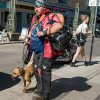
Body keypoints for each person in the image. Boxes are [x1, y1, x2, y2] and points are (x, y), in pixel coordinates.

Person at [27, 0, 63, 100]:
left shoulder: (50, 16)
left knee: (44, 70)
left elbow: (59, 25)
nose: (36, 9)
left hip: (46, 49)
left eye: (38, 6)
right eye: (35, 7)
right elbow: (32, 29)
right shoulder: (35, 18)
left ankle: (45, 94)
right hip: (36, 48)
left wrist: (44, 32)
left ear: (43, 7)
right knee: (35, 69)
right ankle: (39, 90)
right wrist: (27, 38)